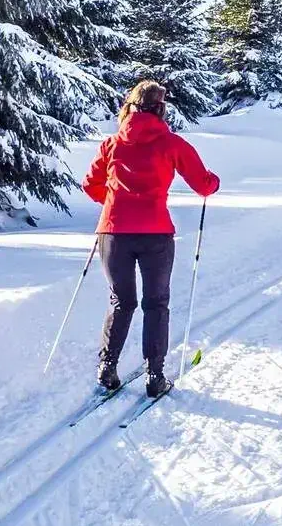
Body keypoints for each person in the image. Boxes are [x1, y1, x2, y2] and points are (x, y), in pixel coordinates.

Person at [83, 80, 221, 398]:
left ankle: (107, 368)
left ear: (130, 106)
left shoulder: (112, 143)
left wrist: (117, 200)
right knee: (155, 303)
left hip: (113, 233)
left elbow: (91, 185)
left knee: (121, 301)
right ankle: (154, 376)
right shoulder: (171, 143)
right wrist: (213, 183)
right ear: (161, 108)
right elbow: (203, 184)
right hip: (155, 232)